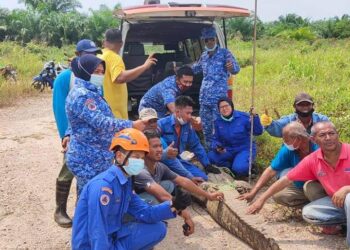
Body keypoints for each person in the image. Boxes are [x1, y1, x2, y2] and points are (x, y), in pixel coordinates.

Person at [72, 128, 192, 249]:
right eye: (136, 157)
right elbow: (97, 232)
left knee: (159, 228)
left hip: (113, 236)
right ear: (119, 156)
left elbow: (146, 213)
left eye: (141, 158)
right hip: (91, 245)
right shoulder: (104, 186)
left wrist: (175, 205)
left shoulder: (126, 182)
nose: (139, 162)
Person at [246, 121, 350, 245]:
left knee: (348, 198)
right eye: (322, 135)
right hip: (336, 201)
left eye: (331, 133)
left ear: (337, 135)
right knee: (309, 212)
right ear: (314, 139)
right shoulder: (313, 159)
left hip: (347, 196)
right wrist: (261, 199)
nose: (328, 138)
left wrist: (346, 188)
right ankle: (344, 222)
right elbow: (286, 179)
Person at [65, 54, 145, 196]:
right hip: (87, 159)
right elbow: (101, 122)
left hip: (97, 156)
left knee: (88, 195)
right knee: (92, 197)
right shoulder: (82, 95)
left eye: (102, 72)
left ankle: (83, 218)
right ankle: (86, 218)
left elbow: (79, 122)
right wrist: (131, 124)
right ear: (85, 71)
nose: (100, 75)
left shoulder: (93, 91)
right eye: (96, 72)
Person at [134, 130, 225, 235]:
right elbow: (162, 195)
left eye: (160, 146)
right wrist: (187, 217)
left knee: (168, 185)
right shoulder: (140, 170)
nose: (159, 149)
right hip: (130, 208)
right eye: (154, 146)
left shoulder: (159, 166)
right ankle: (144, 222)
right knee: (157, 201)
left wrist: (208, 196)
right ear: (144, 149)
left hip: (147, 193)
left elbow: (184, 181)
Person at [52, 39, 101, 227]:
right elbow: (60, 109)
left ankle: (83, 211)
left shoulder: (96, 77)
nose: (92, 56)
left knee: (88, 175)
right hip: (74, 136)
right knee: (68, 169)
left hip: (92, 138)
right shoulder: (65, 78)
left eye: (94, 53)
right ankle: (60, 210)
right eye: (87, 53)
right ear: (78, 54)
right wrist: (66, 135)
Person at [238, 122, 322, 207]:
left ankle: (325, 209)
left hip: (320, 185)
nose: (285, 143)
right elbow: (271, 170)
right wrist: (253, 193)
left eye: (286, 140)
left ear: (298, 139)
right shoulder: (289, 149)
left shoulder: (319, 149)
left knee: (310, 188)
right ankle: (309, 207)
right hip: (300, 185)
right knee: (279, 196)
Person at [192, 26, 240, 146]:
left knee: (220, 125)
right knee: (206, 127)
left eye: (212, 39)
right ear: (204, 41)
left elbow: (236, 69)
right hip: (204, 99)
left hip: (218, 99)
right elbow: (196, 69)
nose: (209, 42)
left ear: (216, 39)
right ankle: (210, 150)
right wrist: (181, 68)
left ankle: (222, 148)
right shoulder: (204, 56)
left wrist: (231, 67)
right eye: (206, 40)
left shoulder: (225, 53)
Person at [158, 96, 221, 182]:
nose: (190, 117)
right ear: (177, 112)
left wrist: (207, 165)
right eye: (187, 113)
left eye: (191, 113)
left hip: (178, 161)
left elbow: (196, 145)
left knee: (203, 177)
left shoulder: (187, 126)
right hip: (163, 162)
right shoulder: (161, 124)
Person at [99, 28, 157, 119]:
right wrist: (144, 66)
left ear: (104, 42)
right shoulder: (114, 58)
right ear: (121, 43)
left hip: (104, 107)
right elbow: (120, 78)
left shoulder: (99, 55)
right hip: (115, 113)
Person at [208, 97, 263, 177]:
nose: (224, 109)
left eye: (226, 106)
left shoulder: (244, 117)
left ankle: (246, 167)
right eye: (221, 107)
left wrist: (255, 117)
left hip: (244, 149)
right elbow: (215, 139)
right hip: (228, 150)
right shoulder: (217, 122)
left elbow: (258, 131)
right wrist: (217, 147)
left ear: (232, 106)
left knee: (239, 169)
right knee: (210, 157)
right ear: (218, 110)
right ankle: (232, 167)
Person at [260, 92, 329, 137]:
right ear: (294, 106)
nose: (305, 108)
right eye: (301, 105)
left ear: (313, 105)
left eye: (308, 104)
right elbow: (277, 128)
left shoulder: (322, 120)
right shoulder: (289, 120)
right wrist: (269, 123)